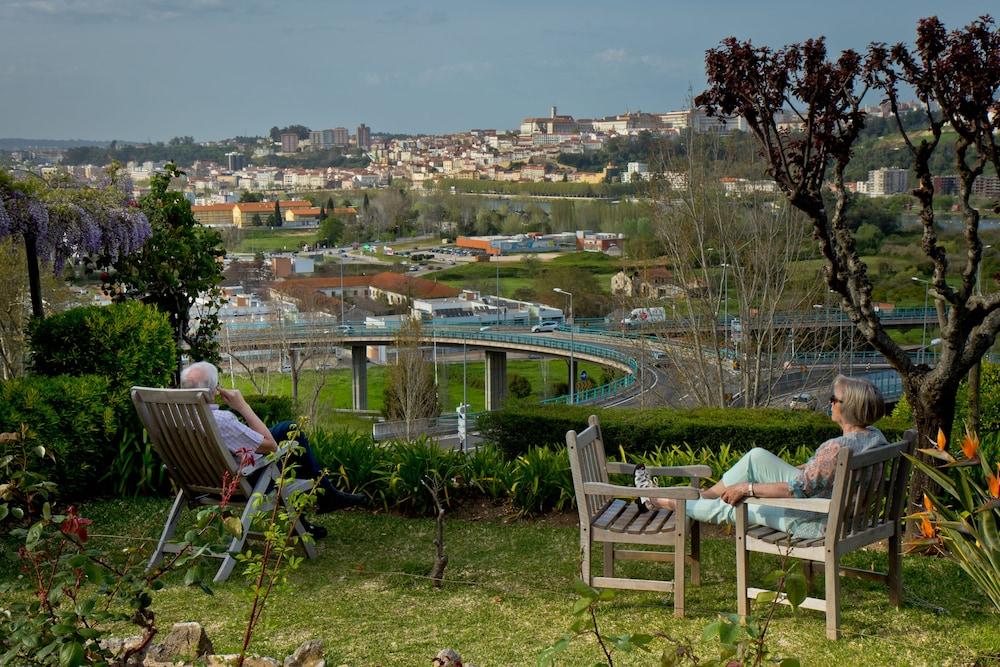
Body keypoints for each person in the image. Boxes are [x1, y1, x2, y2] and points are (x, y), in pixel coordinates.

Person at [639, 375, 887, 539]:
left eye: (833, 399)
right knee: (756, 457)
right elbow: (819, 476)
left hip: (813, 519)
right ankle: (702, 496)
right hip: (840, 514)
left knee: (732, 507)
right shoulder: (875, 438)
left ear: (848, 407)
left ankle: (656, 500)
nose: (830, 403)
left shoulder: (838, 447)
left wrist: (747, 488)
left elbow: (796, 491)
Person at [179, 361, 366, 538]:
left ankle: (310, 514)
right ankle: (326, 497)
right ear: (213, 391)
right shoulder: (220, 420)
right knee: (292, 437)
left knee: (286, 430)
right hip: (240, 482)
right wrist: (242, 406)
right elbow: (271, 446)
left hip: (201, 482)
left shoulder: (173, 416)